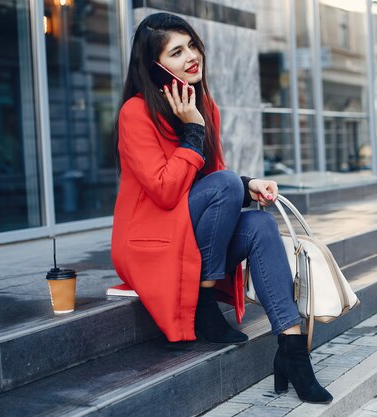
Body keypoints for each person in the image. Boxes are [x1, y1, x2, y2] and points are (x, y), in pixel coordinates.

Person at [110, 13, 332, 404]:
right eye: (176, 52)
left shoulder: (204, 105)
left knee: (261, 224)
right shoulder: (136, 112)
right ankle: (205, 298)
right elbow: (164, 191)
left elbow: (211, 179)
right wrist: (192, 131)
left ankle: (293, 351)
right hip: (152, 243)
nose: (192, 56)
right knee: (227, 185)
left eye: (192, 45)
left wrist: (250, 186)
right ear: (155, 66)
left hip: (190, 238)